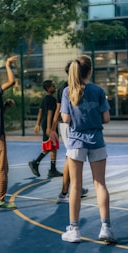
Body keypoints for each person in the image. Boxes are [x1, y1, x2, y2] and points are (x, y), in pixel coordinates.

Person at [60, 55, 115, 243]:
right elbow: (106, 118)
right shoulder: (98, 91)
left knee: (75, 186)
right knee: (100, 184)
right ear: (90, 71)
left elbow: (66, 119)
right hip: (96, 141)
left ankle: (74, 230)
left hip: (76, 142)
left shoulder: (68, 91)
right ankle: (106, 228)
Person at [50, 61, 88, 202]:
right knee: (70, 157)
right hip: (67, 125)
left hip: (68, 125)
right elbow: (59, 110)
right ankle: (65, 192)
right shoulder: (66, 88)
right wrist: (53, 128)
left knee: (73, 157)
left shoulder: (70, 87)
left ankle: (74, 188)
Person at [0, 56, 18, 211]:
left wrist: (5, 105)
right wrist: (8, 65)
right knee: (3, 168)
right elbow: (11, 82)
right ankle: (0, 201)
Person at [28, 80, 62, 178]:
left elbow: (40, 111)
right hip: (50, 125)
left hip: (46, 124)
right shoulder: (51, 99)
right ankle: (36, 163)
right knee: (50, 146)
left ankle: (52, 169)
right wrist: (49, 128)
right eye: (53, 85)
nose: (55, 86)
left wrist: (37, 124)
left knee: (53, 146)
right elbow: (50, 113)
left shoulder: (44, 99)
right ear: (48, 88)